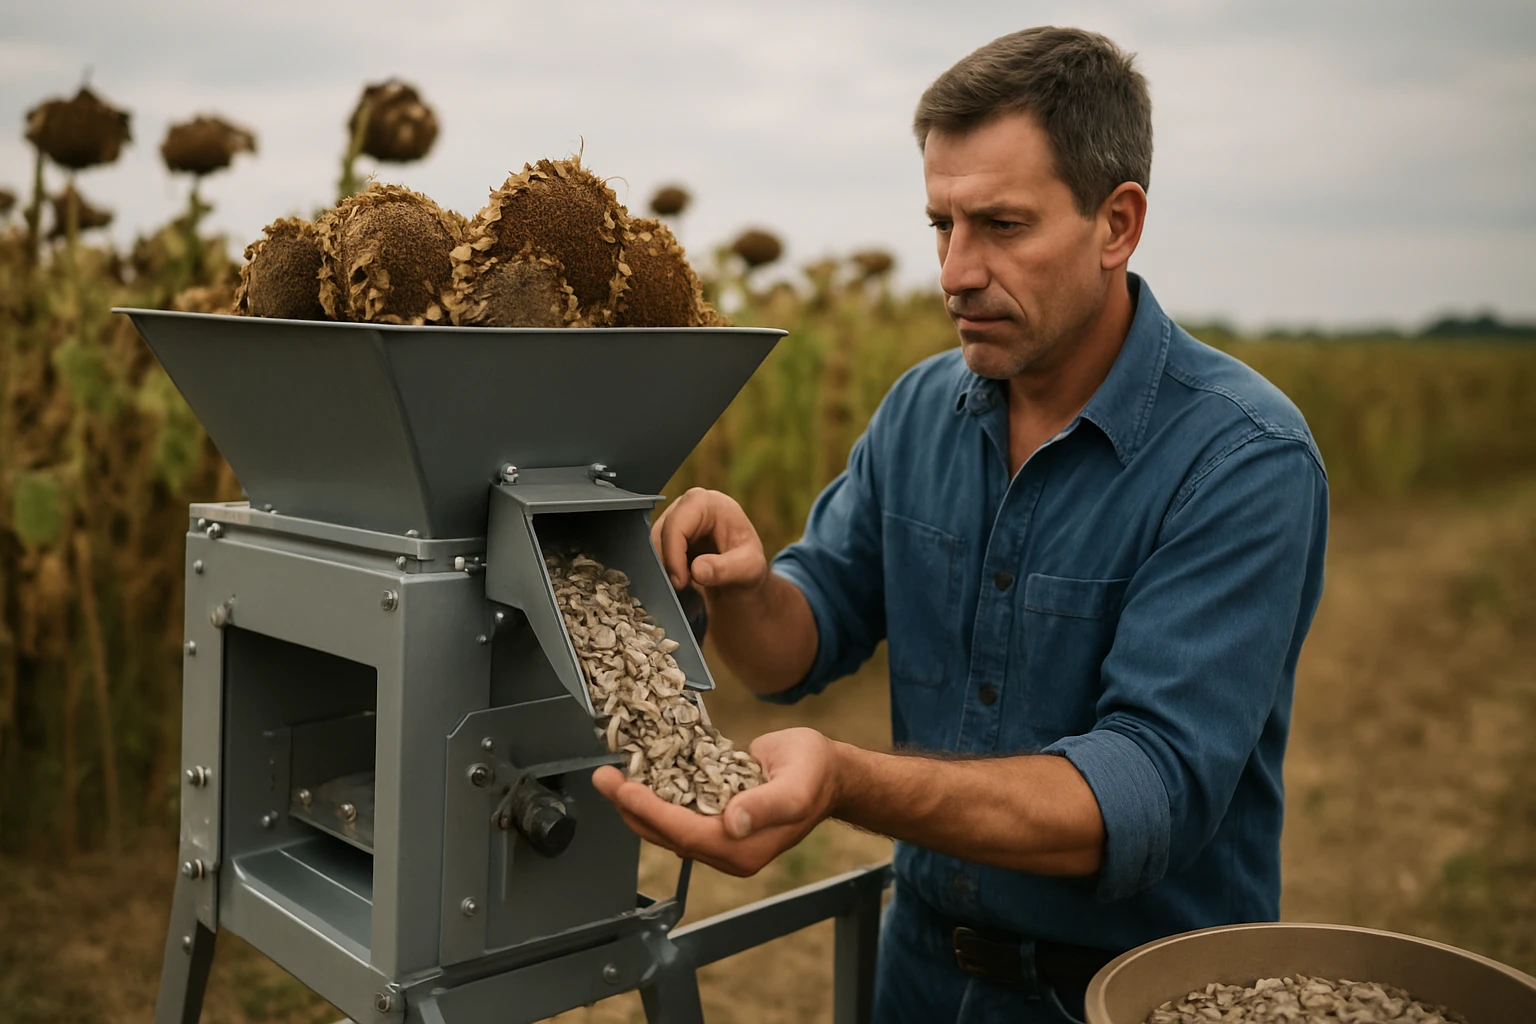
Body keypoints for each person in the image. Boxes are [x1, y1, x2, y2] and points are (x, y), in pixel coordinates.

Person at [593, 25, 1328, 1024]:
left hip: (1138, 995)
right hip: (923, 975)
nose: (954, 271)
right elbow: (796, 646)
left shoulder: (1241, 461)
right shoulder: (920, 410)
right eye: (942, 222)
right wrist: (747, 585)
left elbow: (1142, 793)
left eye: (1001, 226)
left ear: (1117, 224)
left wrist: (845, 781)